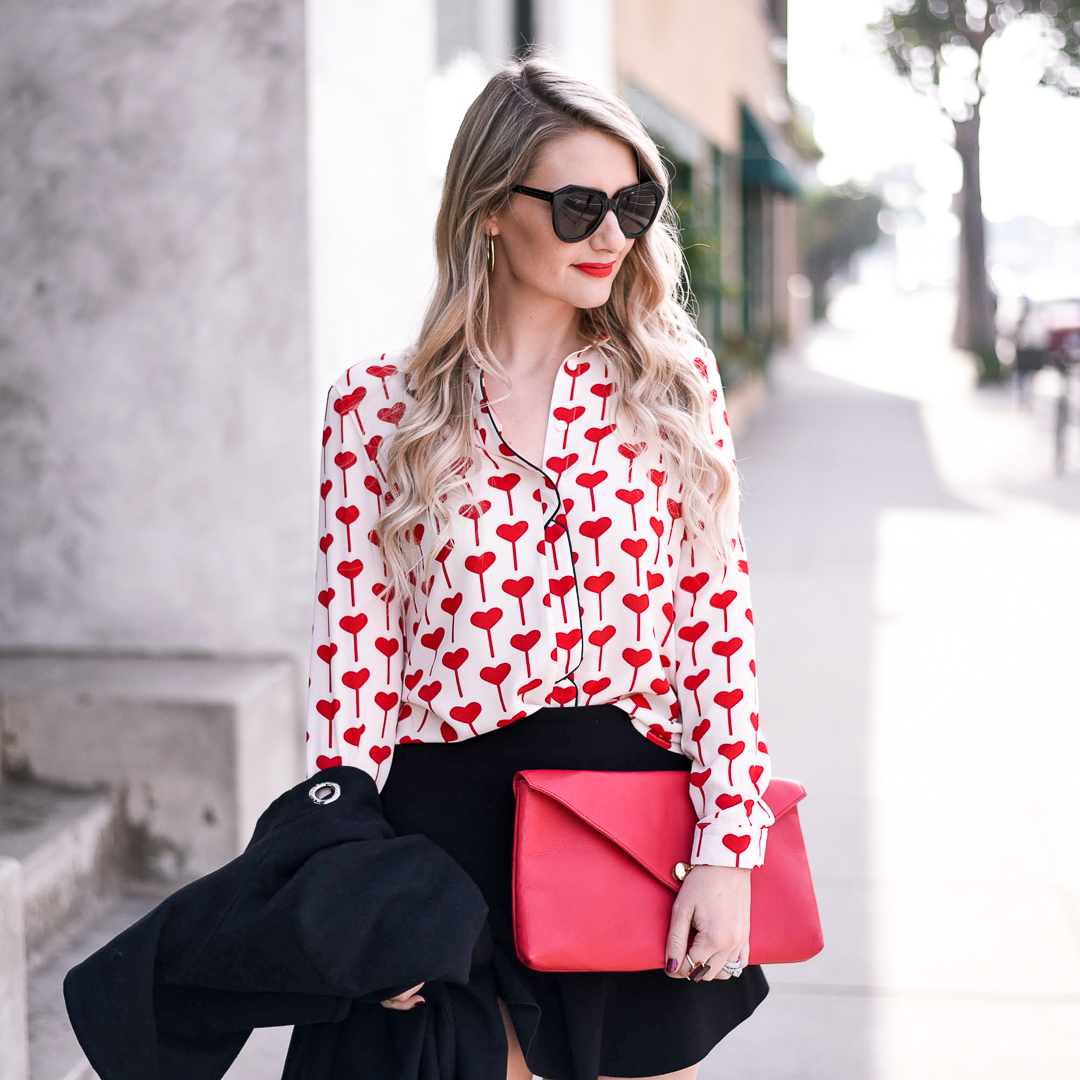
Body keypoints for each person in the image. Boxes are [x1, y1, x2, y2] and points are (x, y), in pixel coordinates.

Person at [305, 55, 775, 1080]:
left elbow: (717, 624)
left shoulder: (670, 384)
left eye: (633, 203)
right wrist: (354, 885)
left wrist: (728, 847)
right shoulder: (375, 410)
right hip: (445, 835)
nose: (613, 235)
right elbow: (354, 668)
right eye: (575, 205)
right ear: (487, 212)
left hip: (630, 822)